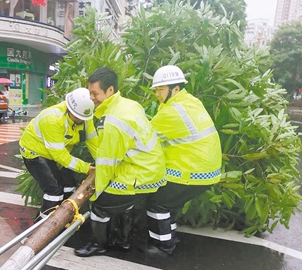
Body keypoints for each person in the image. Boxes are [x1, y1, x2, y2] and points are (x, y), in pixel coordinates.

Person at [75, 67, 166, 257]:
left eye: (95, 93)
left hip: (140, 174)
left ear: (109, 91)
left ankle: (98, 244)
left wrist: (95, 193)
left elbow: (107, 164)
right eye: (89, 92)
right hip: (150, 167)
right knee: (120, 201)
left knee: (102, 201)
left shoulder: (113, 122)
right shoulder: (128, 104)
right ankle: (122, 240)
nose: (91, 97)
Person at [145, 65, 222, 255]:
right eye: (156, 90)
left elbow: (143, 138)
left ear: (175, 89)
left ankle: (163, 247)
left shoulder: (171, 112)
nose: (157, 95)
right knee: (170, 201)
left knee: (157, 202)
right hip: (208, 169)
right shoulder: (191, 101)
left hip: (193, 171)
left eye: (160, 90)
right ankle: (170, 235)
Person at [19, 88, 99, 219]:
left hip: (58, 152)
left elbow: (93, 141)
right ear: (69, 108)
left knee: (69, 185)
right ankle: (42, 228)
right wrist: (86, 168)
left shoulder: (84, 116)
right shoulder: (53, 120)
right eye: (77, 117)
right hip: (35, 152)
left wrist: (103, 162)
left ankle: (65, 218)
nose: (80, 120)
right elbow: (60, 156)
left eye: (82, 118)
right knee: (54, 192)